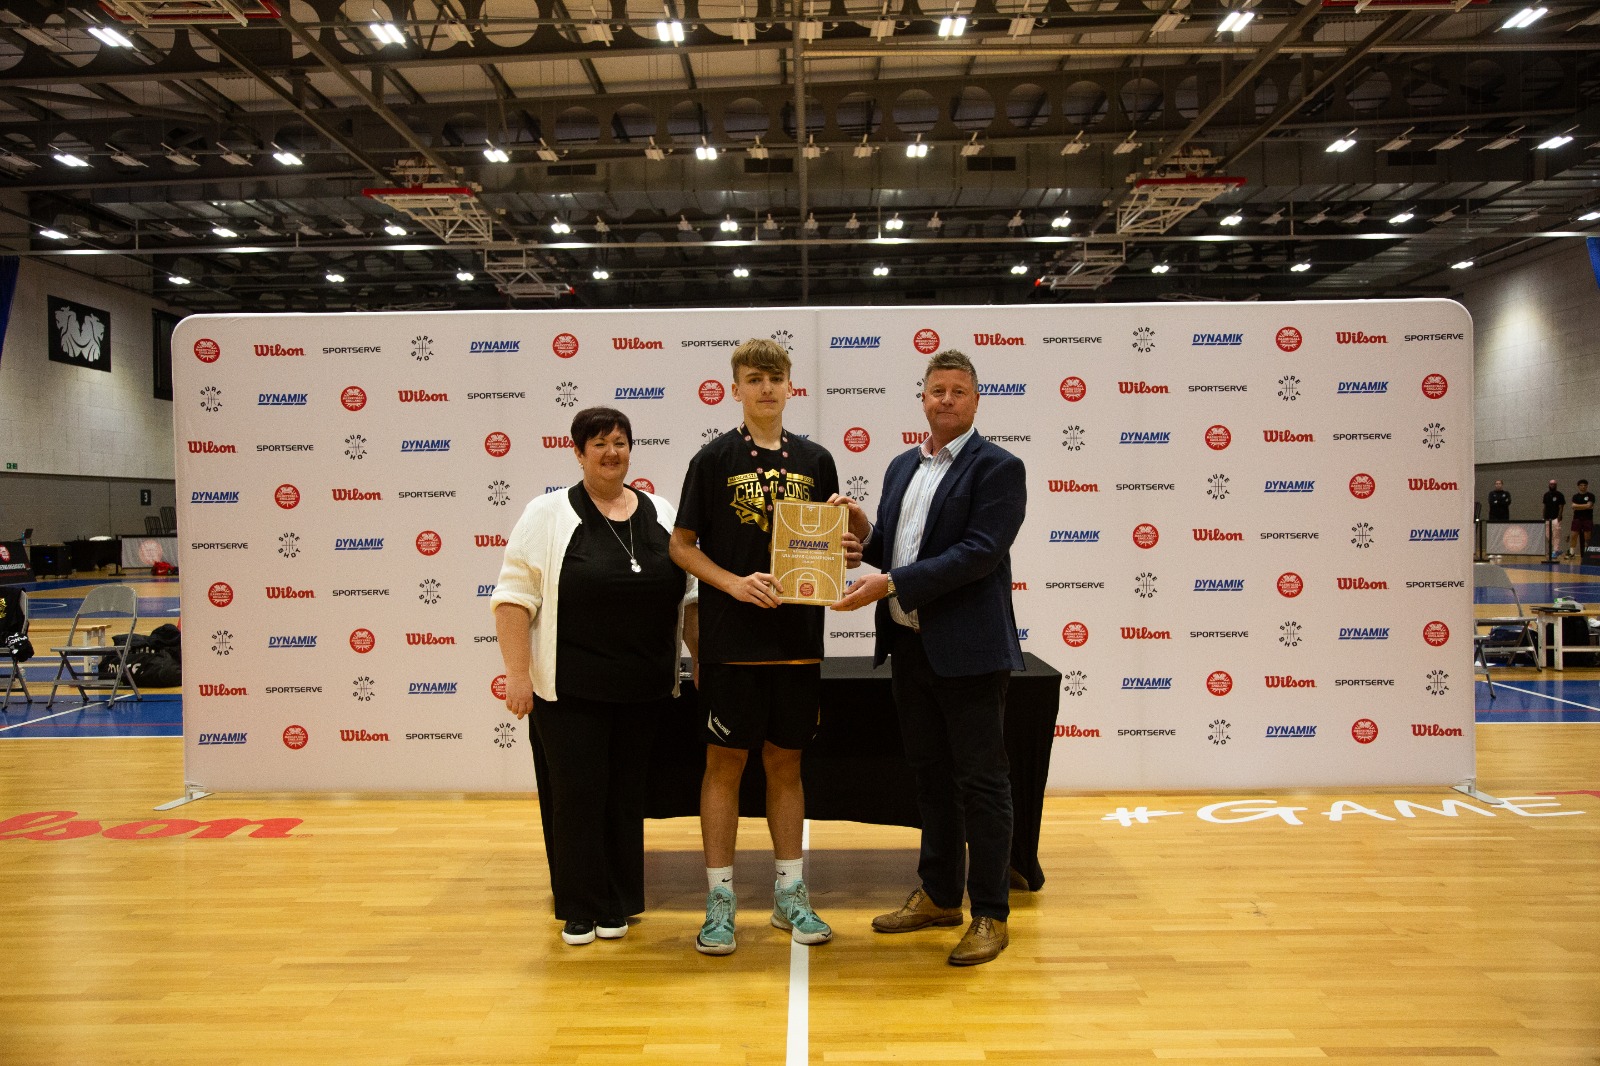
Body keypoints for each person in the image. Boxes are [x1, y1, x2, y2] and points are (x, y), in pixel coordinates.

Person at [831, 349, 1027, 966]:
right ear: (922, 398)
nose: (946, 400)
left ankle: (991, 913)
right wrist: (863, 536)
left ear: (976, 401)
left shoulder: (999, 468)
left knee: (982, 784)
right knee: (930, 778)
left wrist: (888, 582)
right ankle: (941, 895)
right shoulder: (900, 467)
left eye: (958, 391)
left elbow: (978, 552)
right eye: (937, 390)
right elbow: (899, 549)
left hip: (969, 651)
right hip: (910, 646)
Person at [670, 337, 855, 956]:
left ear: (790, 386)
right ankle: (719, 900)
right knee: (724, 766)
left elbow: (832, 545)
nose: (766, 388)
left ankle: (789, 893)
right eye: (754, 379)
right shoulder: (712, 458)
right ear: (736, 389)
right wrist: (731, 583)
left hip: (798, 642)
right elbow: (681, 546)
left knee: (786, 765)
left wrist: (846, 541)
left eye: (775, 378)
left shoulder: (818, 459)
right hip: (732, 643)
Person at [491, 406, 698, 947]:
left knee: (625, 797)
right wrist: (516, 674)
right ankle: (580, 907)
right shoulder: (547, 514)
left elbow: (690, 597)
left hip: (644, 690)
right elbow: (512, 599)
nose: (612, 453)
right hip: (570, 691)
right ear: (578, 453)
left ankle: (619, 901)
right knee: (577, 797)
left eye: (620, 443)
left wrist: (700, 661)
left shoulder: (660, 511)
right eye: (599, 444)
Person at [1570, 479, 1594, 560]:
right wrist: (1585, 506)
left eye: (1585, 485)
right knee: (1574, 535)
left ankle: (1587, 553)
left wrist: (1577, 506)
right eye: (1581, 485)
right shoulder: (1575, 496)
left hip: (1587, 518)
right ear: (1578, 486)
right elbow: (1573, 506)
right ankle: (1572, 553)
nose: (1583, 487)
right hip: (1577, 518)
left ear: (1587, 486)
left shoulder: (1591, 496)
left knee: (1587, 537)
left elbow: (1589, 505)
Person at [1543, 479, 1566, 563]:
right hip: (1547, 518)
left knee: (1556, 535)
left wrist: (1559, 517)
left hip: (1556, 518)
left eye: (1554, 484)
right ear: (1549, 485)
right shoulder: (1546, 495)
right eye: (1551, 484)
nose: (1552, 485)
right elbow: (1545, 506)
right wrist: (1543, 517)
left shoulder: (1559, 495)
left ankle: (1555, 550)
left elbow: (1561, 507)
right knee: (1548, 535)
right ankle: (1557, 550)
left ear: (1556, 485)